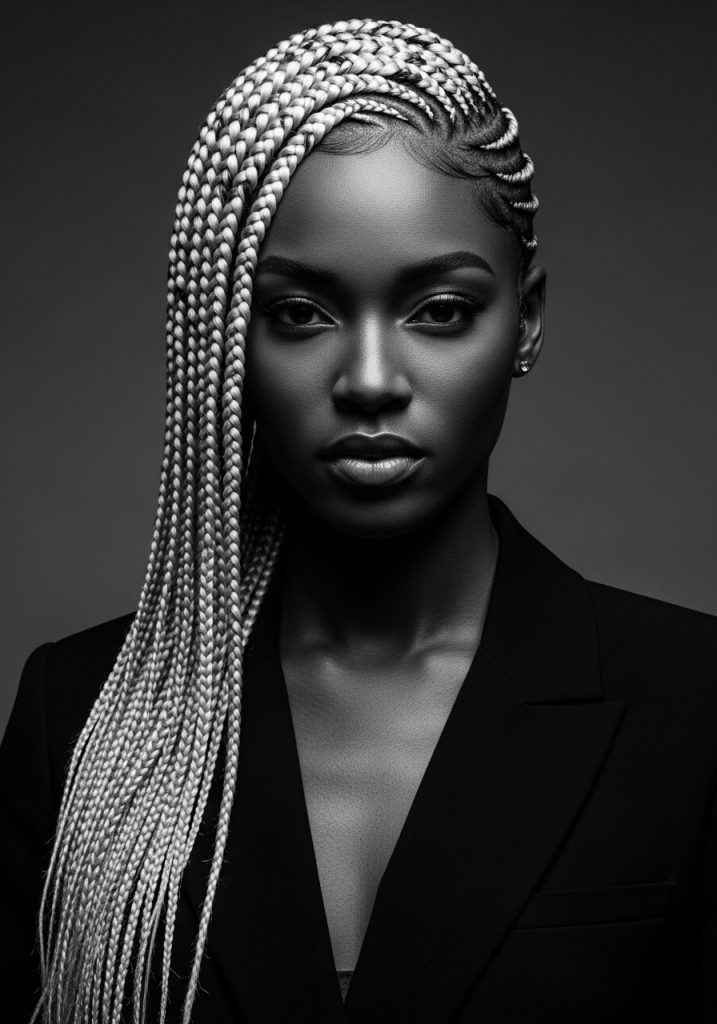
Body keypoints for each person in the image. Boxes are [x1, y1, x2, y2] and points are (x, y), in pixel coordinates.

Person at [1, 16, 715, 1024]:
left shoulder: (693, 708)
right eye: (301, 314)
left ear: (528, 321)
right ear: (227, 342)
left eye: (438, 311)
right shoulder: (76, 720)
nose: (371, 381)